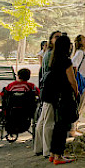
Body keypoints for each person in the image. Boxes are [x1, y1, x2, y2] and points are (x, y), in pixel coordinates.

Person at [41, 34, 78, 164]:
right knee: (63, 126)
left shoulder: (53, 58)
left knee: (57, 125)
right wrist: (76, 92)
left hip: (54, 96)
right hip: (65, 95)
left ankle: (52, 153)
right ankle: (59, 155)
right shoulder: (66, 60)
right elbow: (72, 80)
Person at [34, 30, 62, 158]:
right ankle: (47, 150)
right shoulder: (52, 54)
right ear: (51, 40)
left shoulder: (48, 53)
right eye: (56, 37)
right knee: (49, 121)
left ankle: (39, 148)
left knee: (43, 119)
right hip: (51, 89)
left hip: (47, 88)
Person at [71, 35, 85, 135]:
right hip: (84, 81)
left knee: (82, 104)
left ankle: (75, 127)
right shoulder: (80, 53)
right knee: (79, 104)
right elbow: (74, 65)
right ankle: (72, 128)